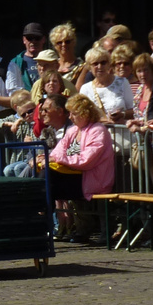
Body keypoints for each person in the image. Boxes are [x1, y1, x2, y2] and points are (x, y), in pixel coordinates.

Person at [48, 95, 115, 242]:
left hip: (92, 178)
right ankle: (45, 218)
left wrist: (61, 160)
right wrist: (56, 159)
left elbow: (87, 160)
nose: (70, 117)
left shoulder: (98, 131)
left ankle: (41, 221)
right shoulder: (73, 130)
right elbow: (57, 151)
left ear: (85, 113)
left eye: (74, 113)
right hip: (74, 177)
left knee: (49, 180)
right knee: (47, 178)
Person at [77, 47, 133, 123]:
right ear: (89, 67)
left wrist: (122, 114)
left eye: (103, 63)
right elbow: (83, 116)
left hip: (121, 132)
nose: (99, 66)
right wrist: (106, 120)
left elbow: (134, 111)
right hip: (97, 133)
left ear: (109, 64)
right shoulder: (85, 88)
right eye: (95, 64)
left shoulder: (122, 82)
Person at [7, 22, 47, 93]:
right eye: (29, 38)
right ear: (24, 40)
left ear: (43, 39)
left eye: (37, 38)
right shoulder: (14, 63)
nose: (33, 41)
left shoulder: (51, 61)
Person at [51, 22, 85, 87]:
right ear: (54, 46)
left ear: (74, 42)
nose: (64, 44)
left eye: (67, 41)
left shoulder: (82, 66)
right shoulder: (51, 64)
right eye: (59, 42)